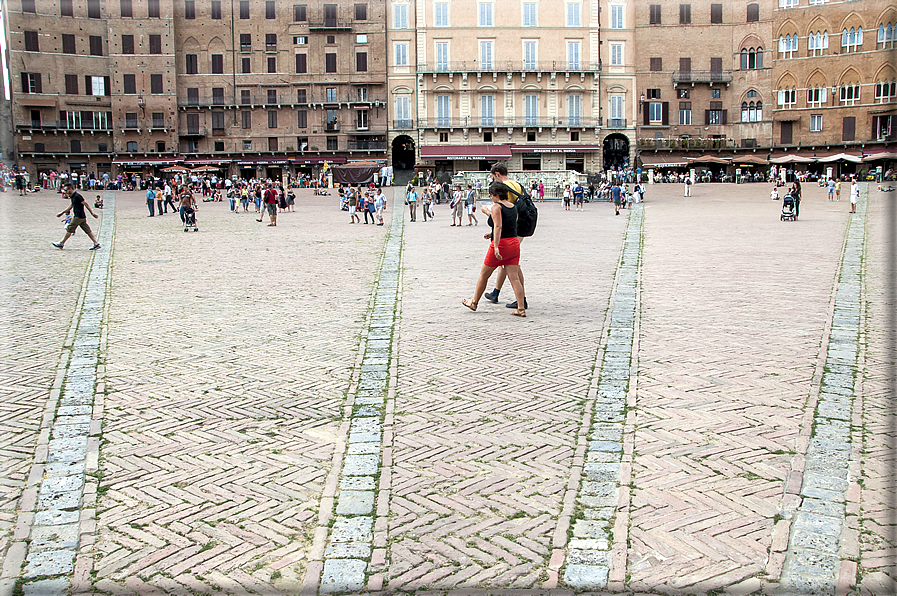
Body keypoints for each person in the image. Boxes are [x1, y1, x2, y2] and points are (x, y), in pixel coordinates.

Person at [461, 180, 527, 318]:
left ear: (495, 194)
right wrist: (492, 234)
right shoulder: (513, 206)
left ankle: (474, 302)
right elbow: (510, 225)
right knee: (514, 278)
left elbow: (498, 226)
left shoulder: (497, 207)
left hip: (502, 244)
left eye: (491, 195)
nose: (491, 197)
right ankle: (521, 308)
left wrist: (495, 245)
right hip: (513, 242)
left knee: (484, 275)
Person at [482, 163, 528, 311]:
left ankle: (522, 300)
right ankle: (497, 292)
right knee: (508, 264)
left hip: (510, 232)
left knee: (511, 266)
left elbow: (504, 214)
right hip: (518, 228)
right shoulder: (517, 184)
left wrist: (488, 213)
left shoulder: (505, 187)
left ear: (496, 174)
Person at [53, 184, 101, 250]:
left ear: (70, 189)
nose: (65, 191)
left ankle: (61, 243)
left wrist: (92, 213)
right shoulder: (73, 197)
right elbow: (71, 206)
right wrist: (62, 213)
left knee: (70, 229)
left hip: (78, 216)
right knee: (87, 230)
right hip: (81, 217)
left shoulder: (77, 196)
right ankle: (96, 243)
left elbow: (86, 204)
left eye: (66, 190)